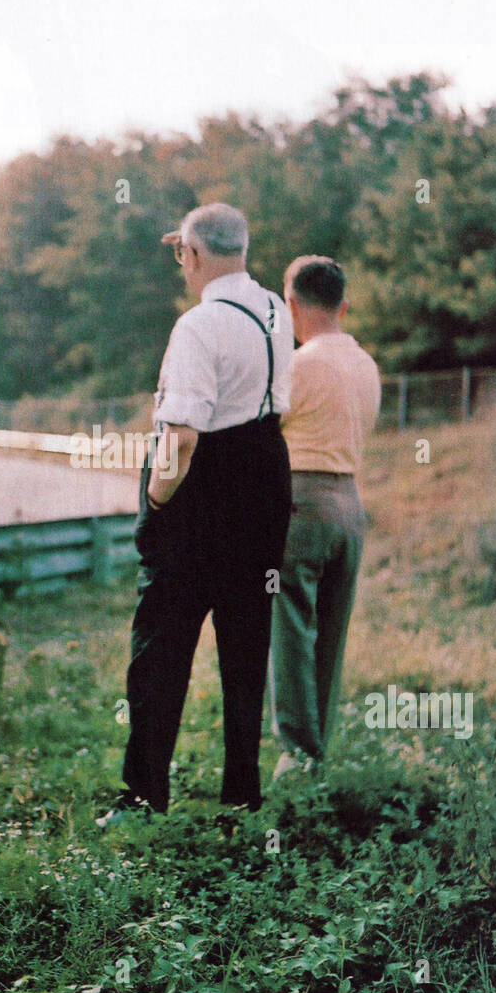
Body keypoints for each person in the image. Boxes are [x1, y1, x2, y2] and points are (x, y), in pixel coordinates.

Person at [99, 203, 292, 823]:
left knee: (160, 643)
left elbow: (180, 439)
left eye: (179, 253)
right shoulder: (275, 310)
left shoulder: (198, 325)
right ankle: (242, 797)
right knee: (245, 643)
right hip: (266, 476)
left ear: (194, 253)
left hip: (204, 489)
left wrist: (156, 502)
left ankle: (144, 797)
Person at [268, 255, 381, 776]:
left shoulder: (299, 364)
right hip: (350, 503)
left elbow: (267, 434)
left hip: (303, 500)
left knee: (290, 624)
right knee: (331, 631)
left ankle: (297, 749)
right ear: (345, 305)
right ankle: (319, 749)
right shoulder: (367, 365)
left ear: (291, 303)